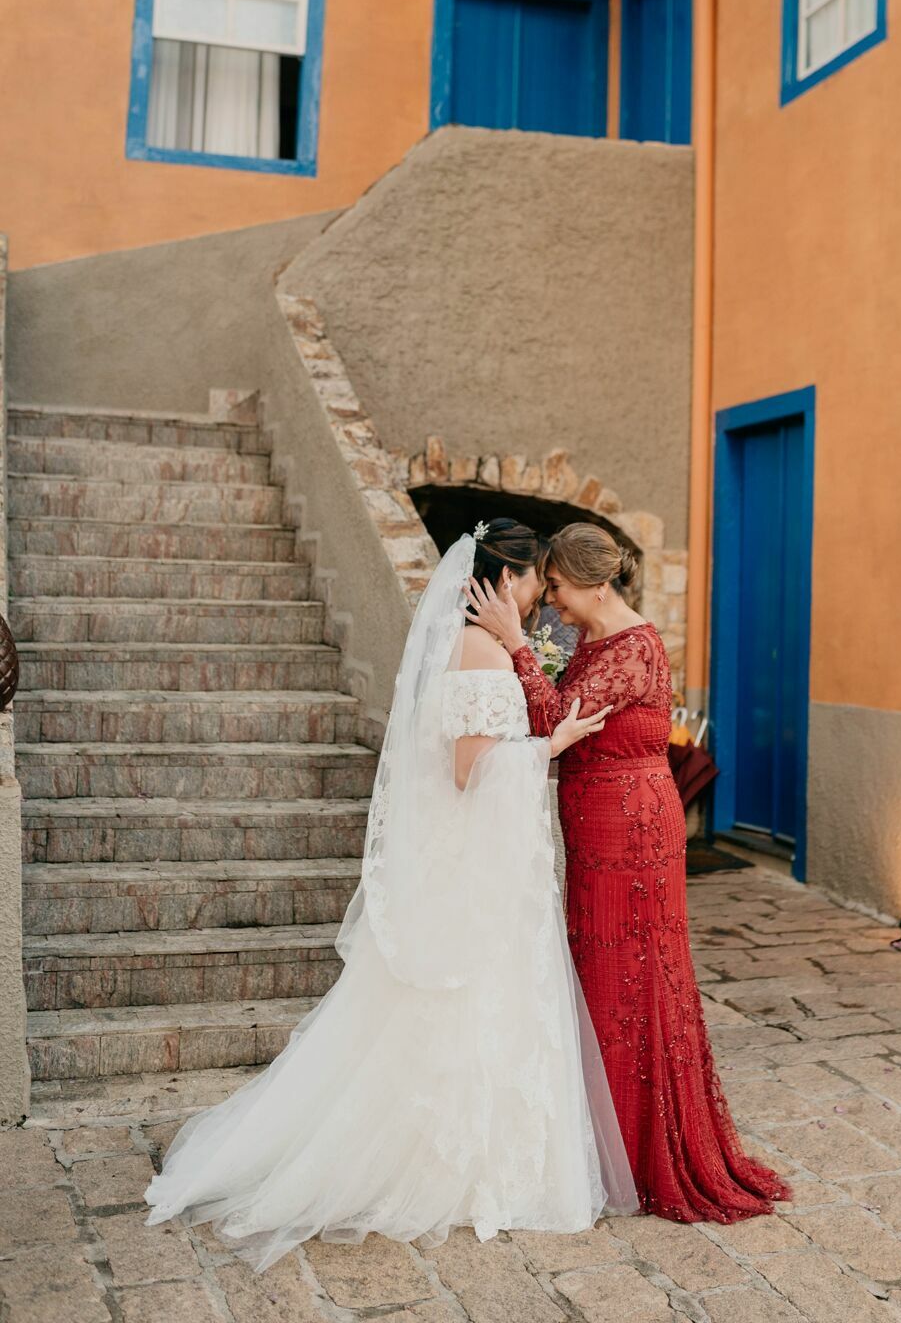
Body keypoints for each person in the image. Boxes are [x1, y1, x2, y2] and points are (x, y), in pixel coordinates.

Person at [144, 518, 637, 1271]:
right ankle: (458, 1166)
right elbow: (472, 770)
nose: (543, 595)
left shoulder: (485, 647)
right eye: (538, 577)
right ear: (508, 581)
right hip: (482, 864)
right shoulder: (478, 650)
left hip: (495, 857)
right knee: (475, 1000)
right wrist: (553, 747)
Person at [465, 520, 790, 1224]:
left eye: (553, 585)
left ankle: (641, 1155)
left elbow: (556, 719)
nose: (549, 600)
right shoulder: (594, 642)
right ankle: (600, 1142)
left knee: (628, 978)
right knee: (597, 975)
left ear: (588, 581)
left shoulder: (633, 648)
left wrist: (518, 647)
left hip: (630, 828)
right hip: (597, 824)